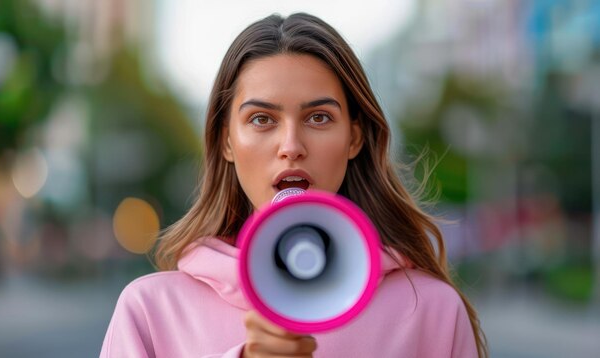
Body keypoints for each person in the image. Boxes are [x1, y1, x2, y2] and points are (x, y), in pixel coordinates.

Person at [100, 12, 488, 358]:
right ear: (227, 142)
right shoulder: (150, 311)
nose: (291, 147)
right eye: (262, 119)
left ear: (354, 139)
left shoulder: (432, 311)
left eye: (318, 118)